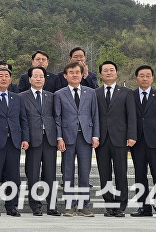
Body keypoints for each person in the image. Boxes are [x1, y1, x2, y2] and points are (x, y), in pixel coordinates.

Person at [0, 67, 29, 217]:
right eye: (0, 76)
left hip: (14, 142)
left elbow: (23, 120)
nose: (3, 78)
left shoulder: (17, 98)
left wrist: (25, 138)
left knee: (13, 176)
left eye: (6, 76)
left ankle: (11, 206)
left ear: (10, 80)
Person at [54, 62, 99, 217]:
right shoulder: (59, 94)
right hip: (67, 138)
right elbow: (57, 118)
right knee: (68, 173)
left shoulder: (91, 92)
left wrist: (95, 135)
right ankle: (69, 205)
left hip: (86, 137)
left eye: (77, 72)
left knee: (84, 172)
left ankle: (84, 205)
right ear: (65, 76)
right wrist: (59, 137)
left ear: (82, 75)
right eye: (71, 72)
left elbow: (95, 116)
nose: (74, 75)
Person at [94, 61, 137, 217]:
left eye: (112, 70)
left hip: (120, 139)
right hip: (101, 140)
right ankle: (109, 206)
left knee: (120, 173)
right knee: (104, 174)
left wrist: (132, 136)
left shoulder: (126, 93)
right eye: (105, 70)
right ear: (100, 74)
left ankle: (120, 206)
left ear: (116, 73)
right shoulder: (95, 93)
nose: (109, 72)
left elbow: (132, 116)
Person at [129, 65, 156, 219]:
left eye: (148, 75)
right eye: (141, 75)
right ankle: (143, 208)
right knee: (140, 175)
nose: (144, 78)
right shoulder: (130, 95)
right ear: (136, 78)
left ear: (152, 78)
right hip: (137, 142)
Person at [19, 66, 61, 216]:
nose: (38, 79)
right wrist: (24, 138)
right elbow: (22, 120)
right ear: (30, 79)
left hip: (49, 139)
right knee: (33, 173)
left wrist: (58, 137)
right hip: (32, 140)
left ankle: (52, 205)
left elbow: (57, 118)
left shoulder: (52, 96)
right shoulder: (22, 96)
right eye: (35, 76)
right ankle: (35, 205)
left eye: (41, 76)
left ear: (45, 79)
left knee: (50, 174)